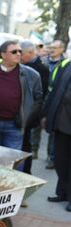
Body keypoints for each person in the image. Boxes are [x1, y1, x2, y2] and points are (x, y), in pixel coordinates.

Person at [43, 57, 71, 212]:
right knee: (61, 161)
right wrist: (46, 115)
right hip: (61, 123)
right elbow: (55, 92)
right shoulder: (67, 65)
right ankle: (62, 193)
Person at [20, 40, 49, 173]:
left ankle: (26, 171)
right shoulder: (20, 65)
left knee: (26, 144)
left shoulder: (41, 68)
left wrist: (30, 116)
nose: (19, 55)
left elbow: (39, 96)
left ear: (30, 53)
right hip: (17, 113)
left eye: (21, 53)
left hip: (29, 114)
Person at [45, 40, 67, 169]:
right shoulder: (43, 61)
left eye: (55, 47)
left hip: (55, 99)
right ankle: (36, 151)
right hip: (44, 99)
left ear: (61, 49)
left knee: (53, 129)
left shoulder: (64, 64)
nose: (51, 49)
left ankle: (52, 156)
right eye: (50, 47)